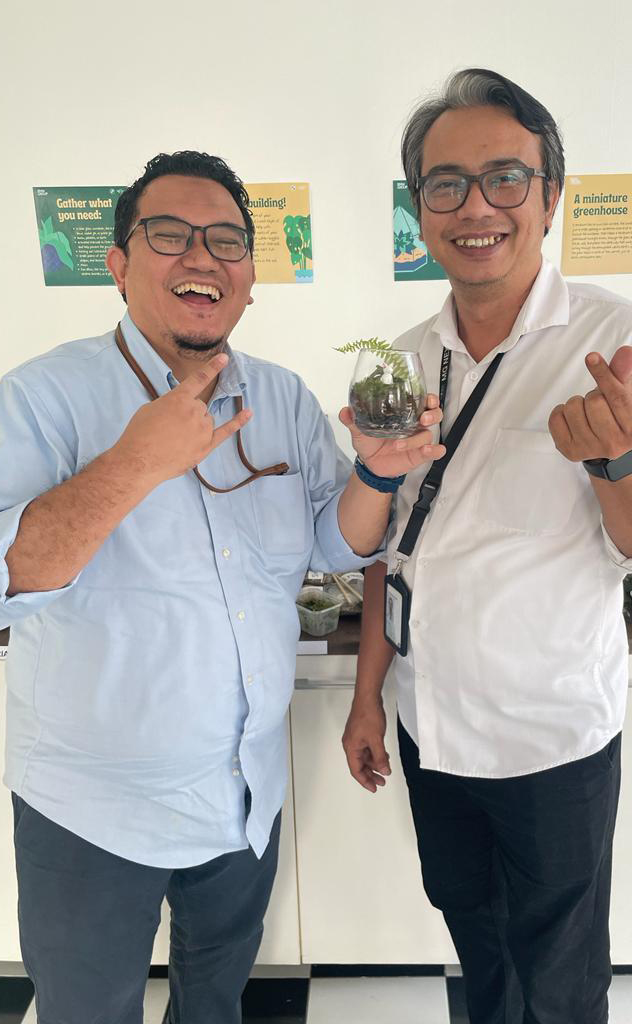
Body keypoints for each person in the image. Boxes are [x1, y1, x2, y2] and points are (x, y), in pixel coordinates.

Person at [0, 150, 445, 1024]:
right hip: (93, 807)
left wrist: (378, 478)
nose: (202, 256)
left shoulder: (277, 396)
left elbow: (331, 536)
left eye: (227, 241)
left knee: (214, 1000)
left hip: (243, 792)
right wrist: (134, 463)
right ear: (119, 264)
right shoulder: (42, 397)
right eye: (169, 234)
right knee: (88, 1011)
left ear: (248, 281)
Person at [342, 69, 632, 1024]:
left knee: (562, 973)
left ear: (549, 195)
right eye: (445, 184)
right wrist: (369, 697)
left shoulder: (620, 340)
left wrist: (618, 465)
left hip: (552, 744)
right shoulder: (404, 360)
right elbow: (389, 556)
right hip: (432, 730)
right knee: (476, 951)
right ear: (419, 210)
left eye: (505, 177)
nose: (475, 205)